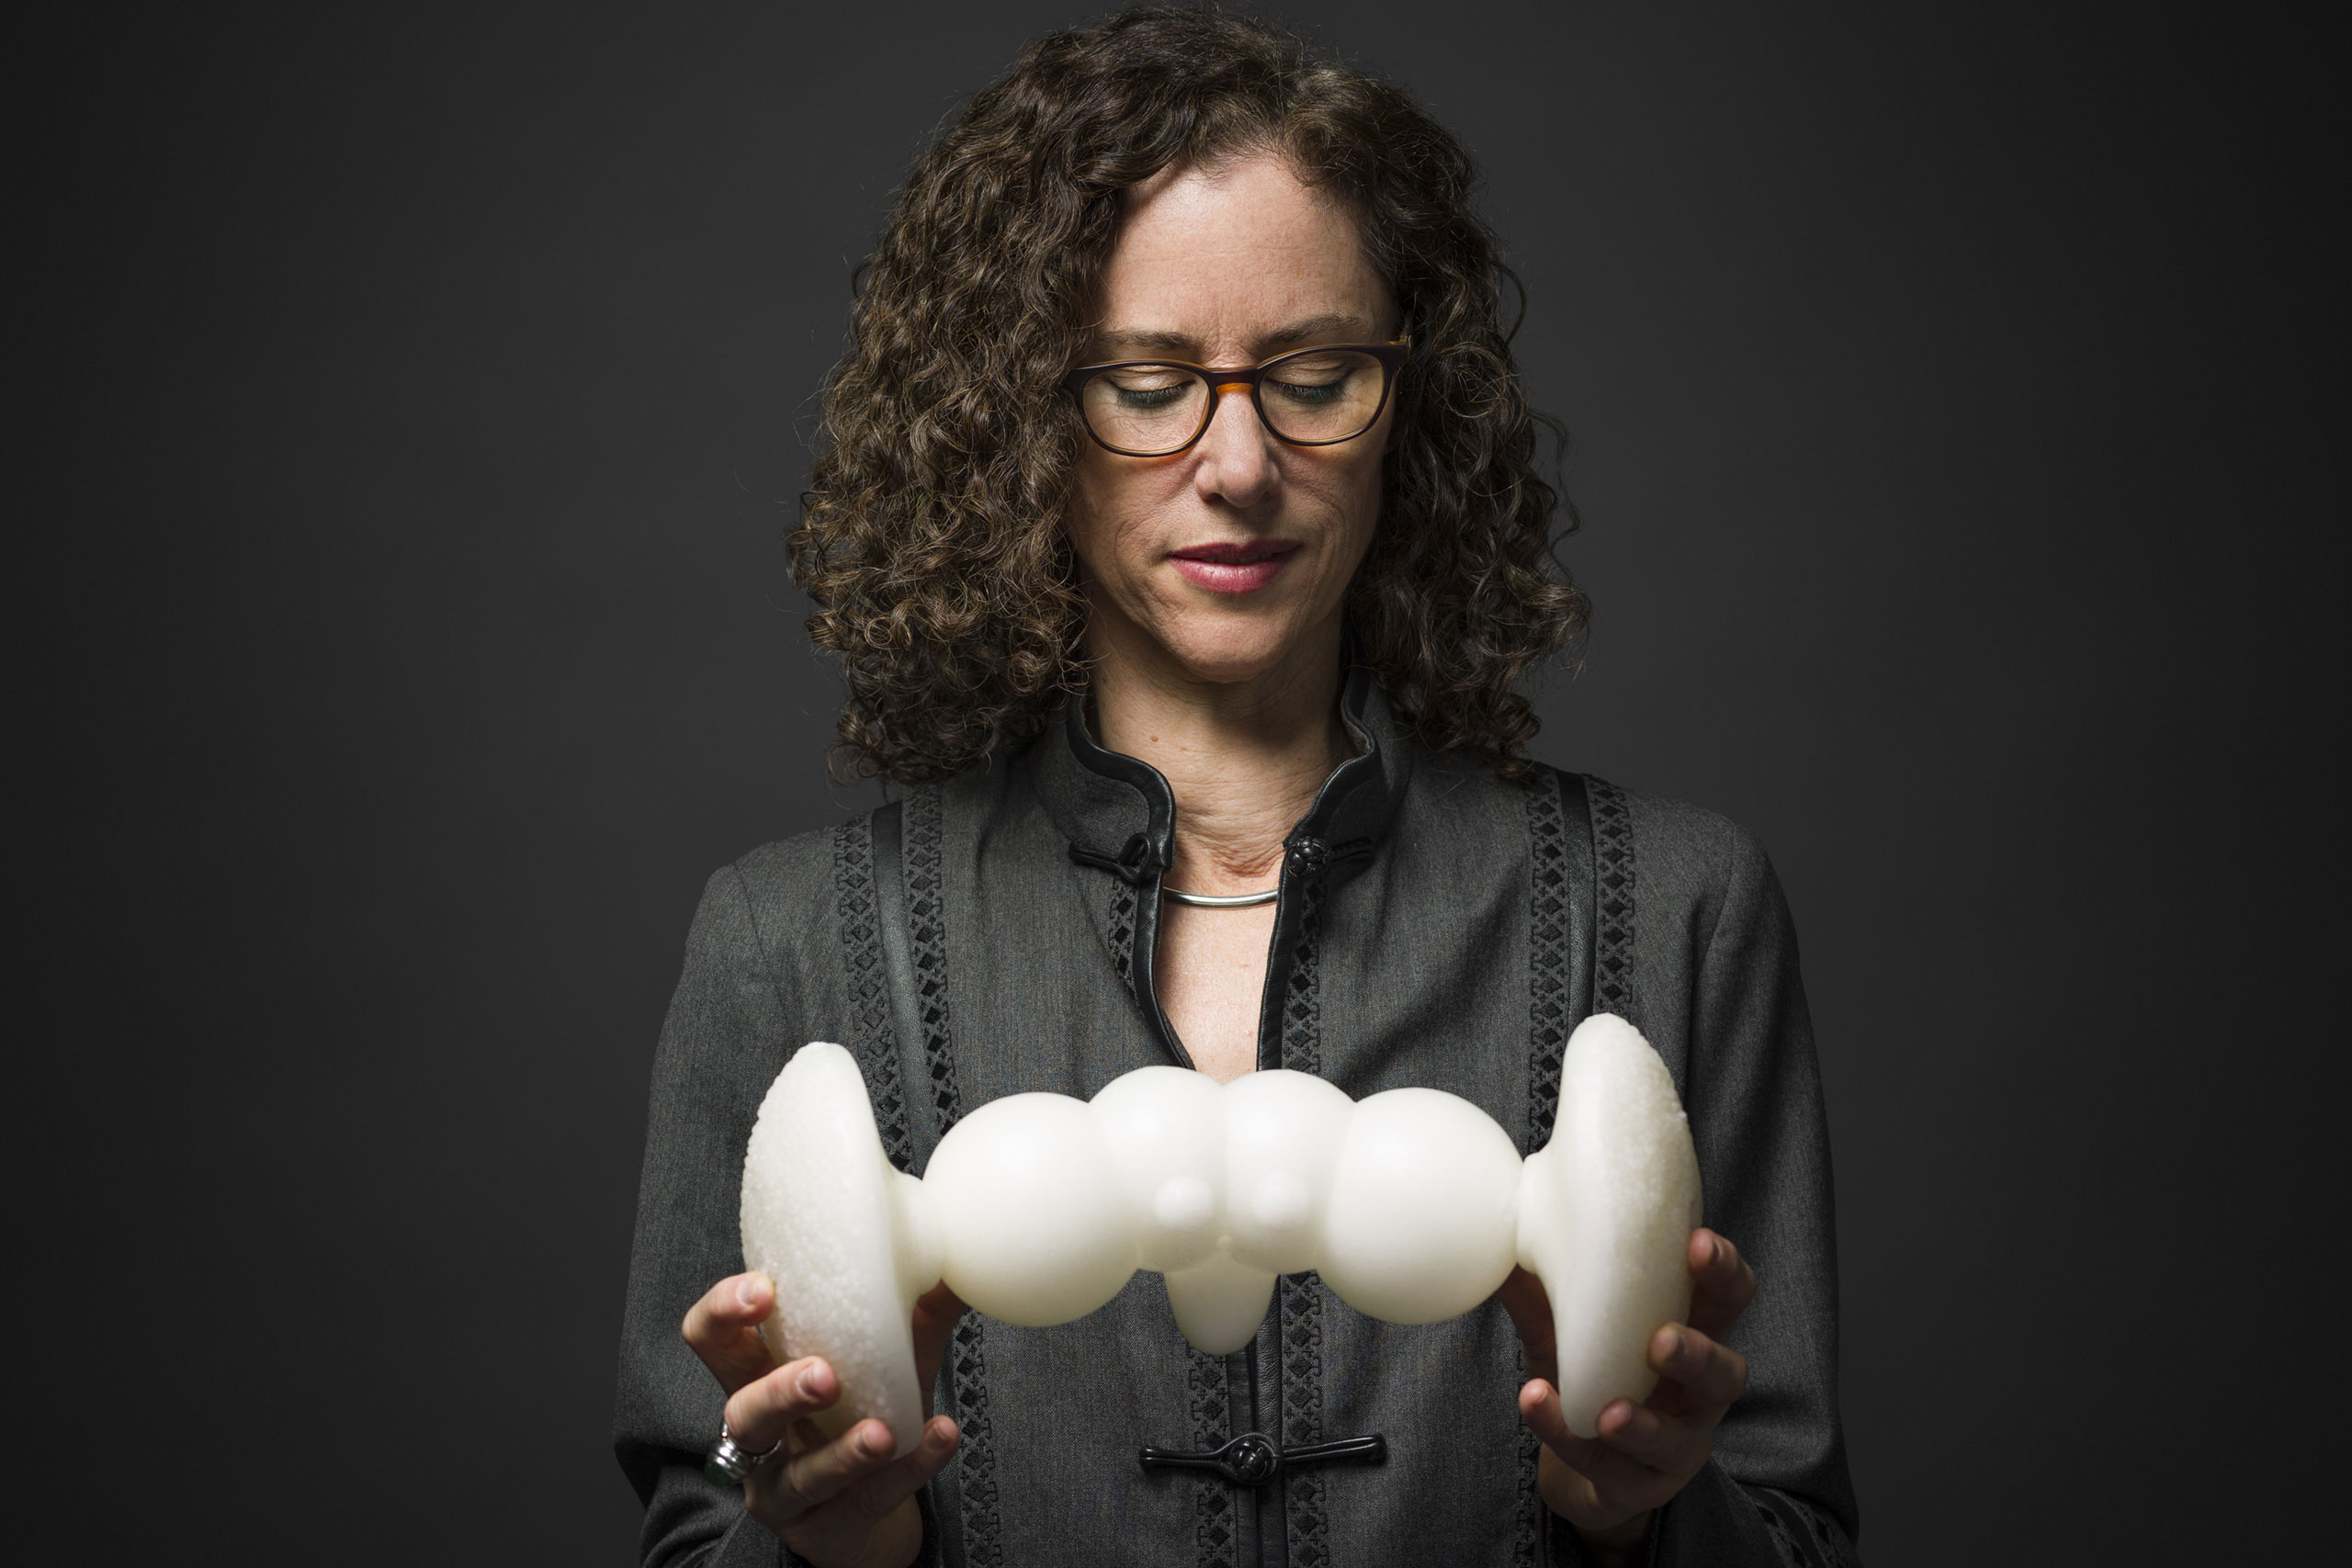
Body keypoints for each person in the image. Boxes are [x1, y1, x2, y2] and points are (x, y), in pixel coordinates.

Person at [613, 10, 1859, 1566]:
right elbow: (693, 1526)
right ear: (1022, 417)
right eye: (1145, 385)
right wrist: (830, 1544)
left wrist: (1642, 1521)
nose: (1241, 462)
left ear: (1414, 403)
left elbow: (1797, 1533)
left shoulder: (1678, 913)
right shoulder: (784, 948)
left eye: (1316, 373)